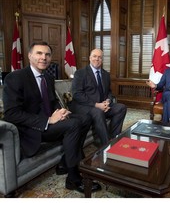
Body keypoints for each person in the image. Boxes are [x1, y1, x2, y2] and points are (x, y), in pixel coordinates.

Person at [3, 42, 101, 193]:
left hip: (51, 122)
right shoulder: (15, 78)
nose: (44, 58)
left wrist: (61, 111)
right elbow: (11, 114)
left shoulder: (48, 78)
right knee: (74, 125)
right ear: (30, 56)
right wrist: (48, 120)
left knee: (85, 118)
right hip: (33, 129)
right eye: (39, 53)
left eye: (47, 55)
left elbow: (53, 102)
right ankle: (73, 179)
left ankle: (64, 163)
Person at [71, 48, 127, 145]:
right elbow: (77, 94)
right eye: (94, 56)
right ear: (89, 58)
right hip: (86, 106)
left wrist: (108, 101)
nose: (97, 59)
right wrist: (97, 105)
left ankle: (114, 138)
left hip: (103, 105)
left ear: (102, 59)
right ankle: (107, 144)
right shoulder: (80, 73)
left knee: (121, 108)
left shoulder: (105, 74)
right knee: (97, 112)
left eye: (100, 57)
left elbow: (109, 92)